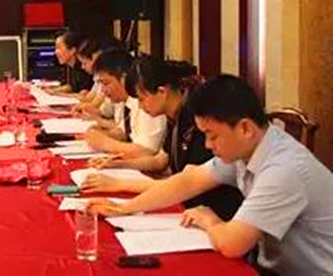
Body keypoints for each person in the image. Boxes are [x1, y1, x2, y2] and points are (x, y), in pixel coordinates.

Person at [89, 75, 333, 276]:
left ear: (245, 128)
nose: (207, 145)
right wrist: (125, 208)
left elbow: (232, 244)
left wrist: (209, 220)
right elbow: (188, 181)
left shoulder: (283, 170)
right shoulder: (248, 148)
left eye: (212, 135)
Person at [84, 56, 243, 221]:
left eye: (142, 99)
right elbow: (162, 160)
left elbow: (186, 183)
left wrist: (119, 185)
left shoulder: (195, 118)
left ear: (162, 92)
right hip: (193, 207)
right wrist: (120, 163)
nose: (140, 107)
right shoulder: (174, 115)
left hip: (209, 208)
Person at [83, 50, 167, 158]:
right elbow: (124, 132)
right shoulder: (128, 101)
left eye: (106, 83)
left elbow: (146, 150)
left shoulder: (147, 101)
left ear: (124, 79)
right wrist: (99, 135)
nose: (103, 90)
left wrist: (105, 143)